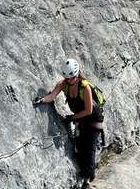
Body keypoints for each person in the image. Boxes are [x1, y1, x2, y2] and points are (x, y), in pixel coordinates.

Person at [34, 59, 103, 189]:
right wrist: (42, 100)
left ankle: (87, 181)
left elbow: (88, 110)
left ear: (76, 75)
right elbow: (52, 96)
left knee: (89, 148)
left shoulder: (85, 87)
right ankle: (85, 173)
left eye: (71, 78)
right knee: (79, 145)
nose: (69, 81)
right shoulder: (64, 84)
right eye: (67, 78)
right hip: (81, 118)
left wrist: (73, 117)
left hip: (93, 119)